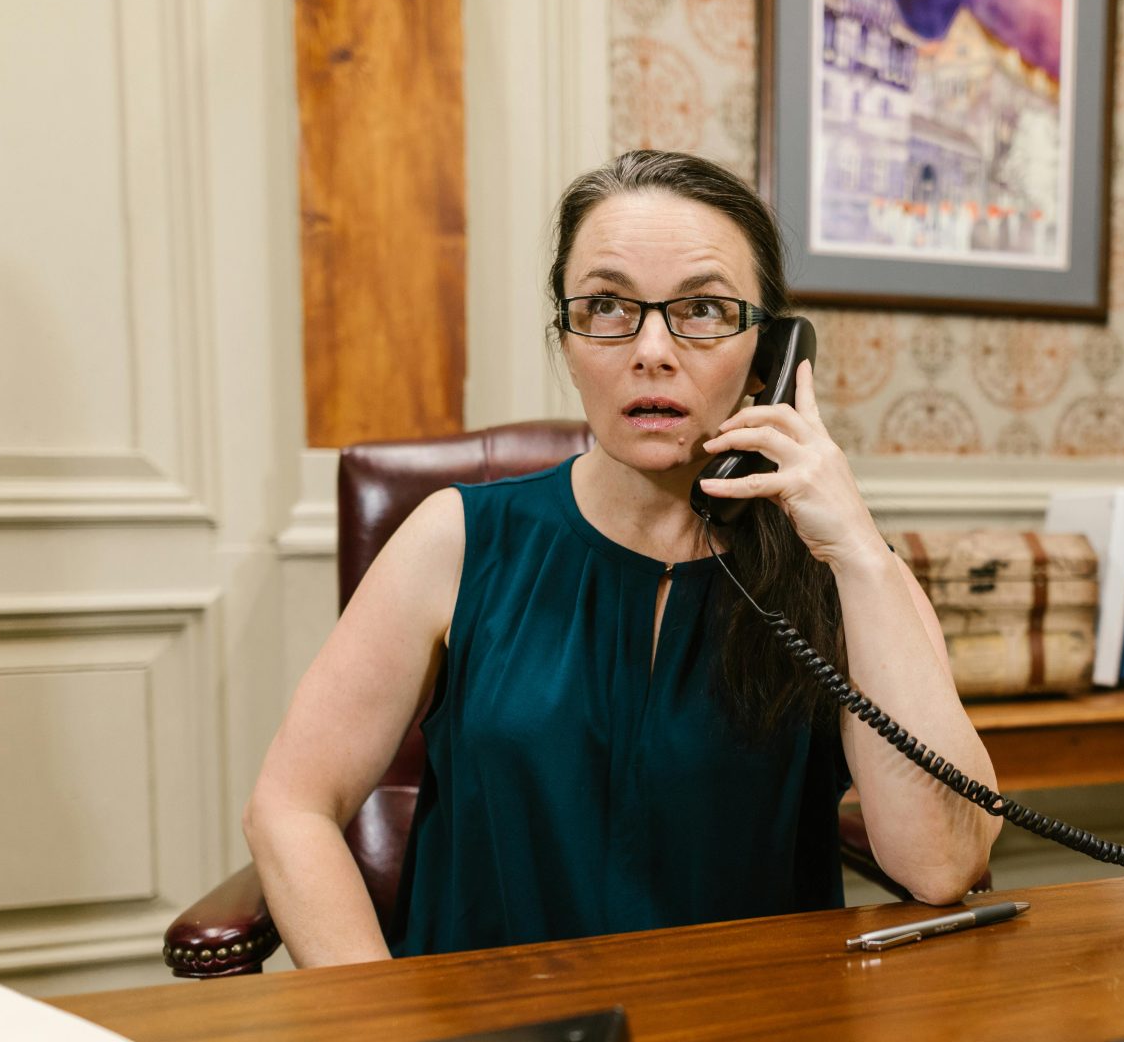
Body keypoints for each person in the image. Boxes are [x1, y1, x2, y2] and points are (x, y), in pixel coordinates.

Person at [243, 150, 1000, 967]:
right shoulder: (455, 539)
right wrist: (380, 1032)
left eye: (704, 309)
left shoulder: (841, 573)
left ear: (769, 353)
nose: (651, 350)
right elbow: (291, 805)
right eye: (606, 305)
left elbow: (941, 865)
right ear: (565, 339)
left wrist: (855, 549)